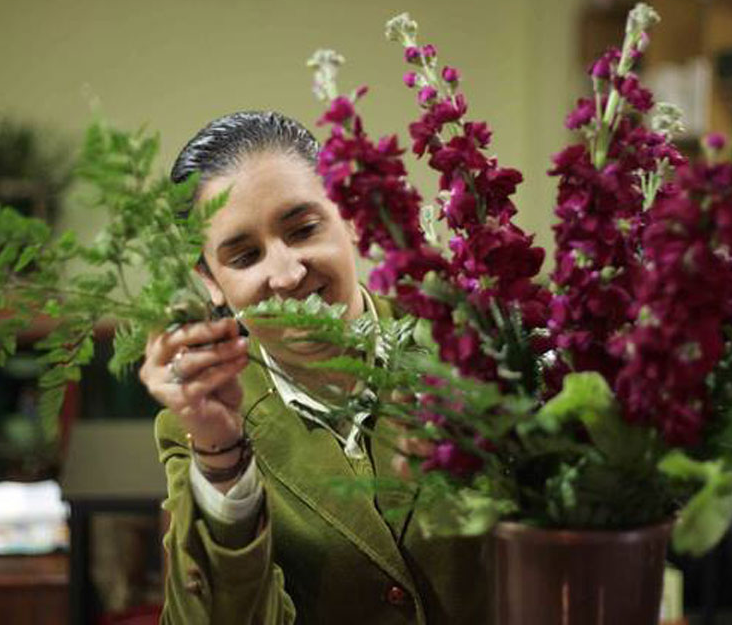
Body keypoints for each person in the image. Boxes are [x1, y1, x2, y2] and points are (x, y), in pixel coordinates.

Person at [138, 111, 488, 624]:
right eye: (243, 256)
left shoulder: (468, 349)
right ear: (211, 281)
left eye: (302, 230)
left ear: (347, 215)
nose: (286, 273)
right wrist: (222, 458)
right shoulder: (198, 426)